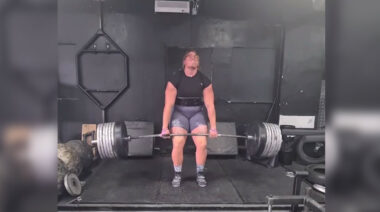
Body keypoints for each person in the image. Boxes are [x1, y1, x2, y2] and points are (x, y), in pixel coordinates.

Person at [161, 50, 217, 188]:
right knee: (179, 141)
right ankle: (178, 174)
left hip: (196, 113)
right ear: (184, 62)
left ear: (198, 63)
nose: (194, 58)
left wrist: (214, 128)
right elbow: (168, 105)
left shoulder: (204, 81)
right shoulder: (175, 79)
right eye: (190, 57)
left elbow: (210, 106)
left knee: (202, 143)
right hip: (180, 113)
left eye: (196, 57)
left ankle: (200, 174)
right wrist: (164, 127)